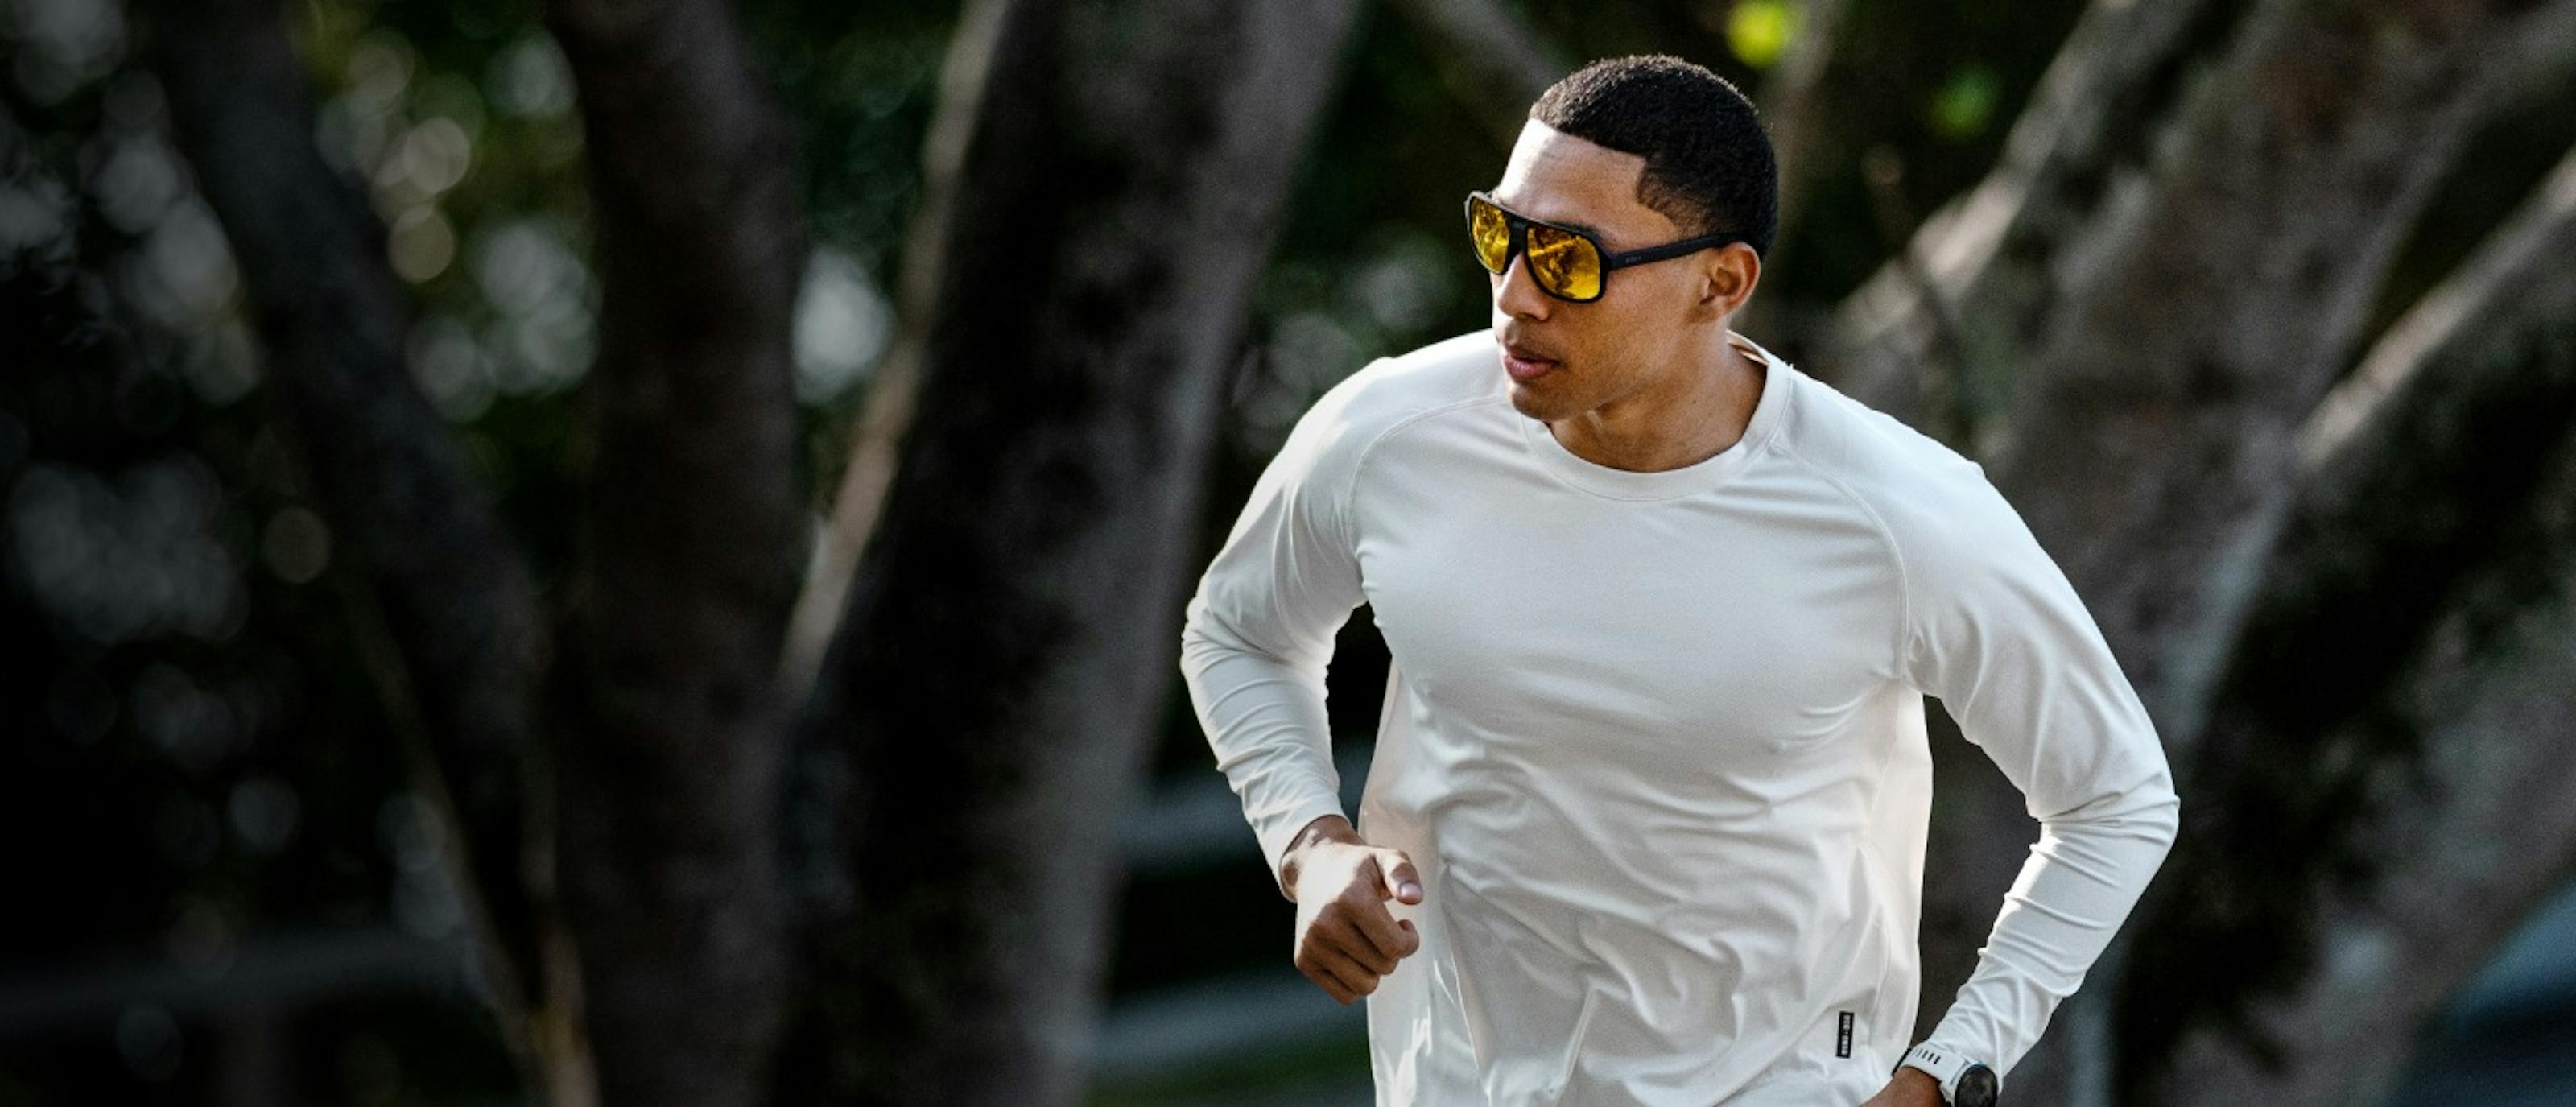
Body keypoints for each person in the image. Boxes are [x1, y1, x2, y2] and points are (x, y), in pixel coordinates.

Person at [1177, 54, 2177, 1106]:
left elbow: (2116, 799)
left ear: (1722, 281)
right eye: (1499, 236)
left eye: (1567, 260)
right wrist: (1310, 840)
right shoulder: (1390, 433)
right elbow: (1239, 633)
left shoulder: (1900, 513)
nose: (1514, 295)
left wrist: (1945, 1074)